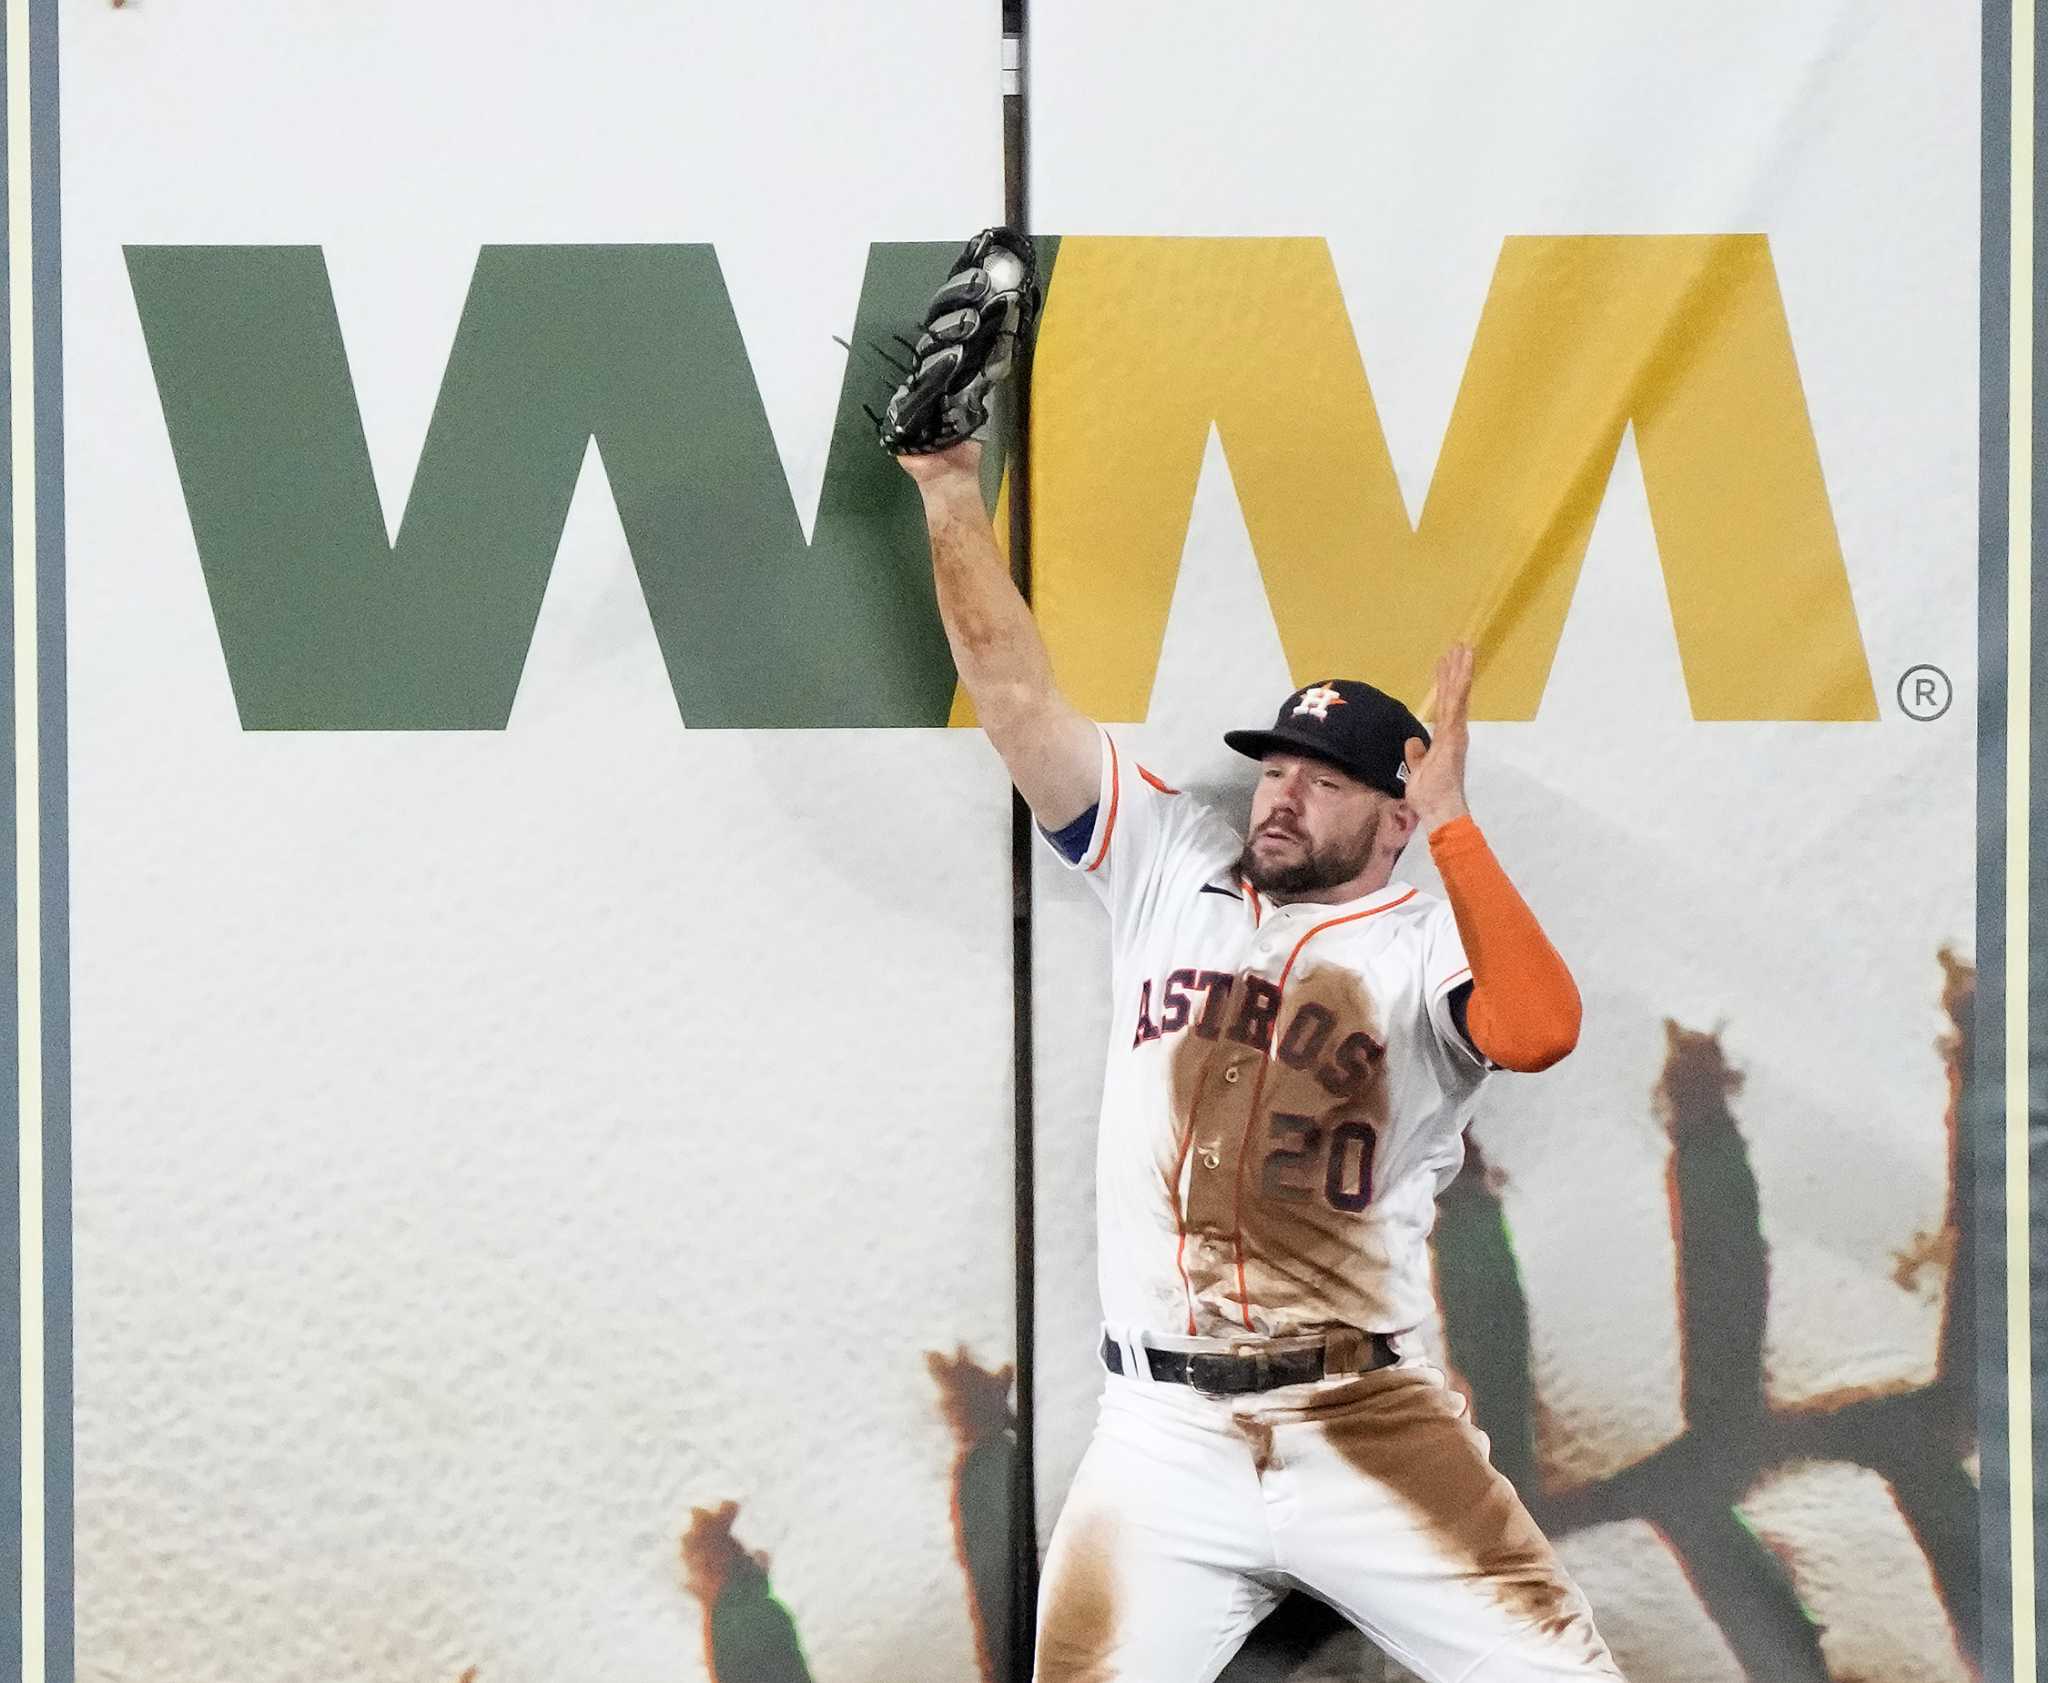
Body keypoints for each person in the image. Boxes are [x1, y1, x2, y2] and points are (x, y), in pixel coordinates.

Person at [895, 436, 1626, 1683]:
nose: (1280, 795)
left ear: (1395, 816)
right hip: (1160, 1432)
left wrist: (1453, 829)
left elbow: (1539, 1029)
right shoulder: (1165, 862)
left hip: (1364, 1417)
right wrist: (947, 491)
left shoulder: (1421, 943)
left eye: (1326, 781)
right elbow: (1015, 702)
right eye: (1275, 766)